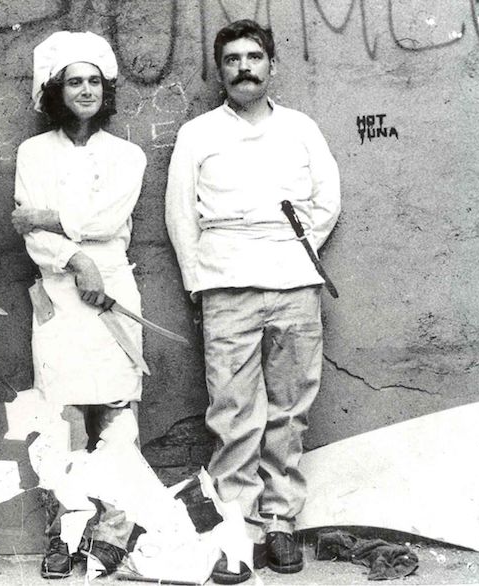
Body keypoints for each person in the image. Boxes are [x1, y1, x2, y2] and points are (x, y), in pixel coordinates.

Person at [164, 19, 341, 585]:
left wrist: (289, 250)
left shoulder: (300, 129)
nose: (244, 67)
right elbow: (180, 217)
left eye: (254, 57)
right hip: (225, 288)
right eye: (233, 59)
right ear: (220, 71)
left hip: (294, 286)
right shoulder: (198, 134)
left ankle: (282, 523)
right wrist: (201, 282)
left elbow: (326, 201)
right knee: (233, 415)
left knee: (289, 411)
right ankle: (236, 532)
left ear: (271, 64)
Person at [10, 31, 147, 580]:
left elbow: (108, 221)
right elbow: (29, 233)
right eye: (74, 82)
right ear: (55, 91)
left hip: (112, 288)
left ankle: (114, 531)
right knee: (60, 417)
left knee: (116, 413)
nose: (85, 90)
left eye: (94, 81)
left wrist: (49, 217)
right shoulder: (31, 153)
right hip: (58, 294)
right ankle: (64, 534)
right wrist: (74, 259)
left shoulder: (127, 156)